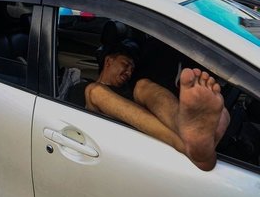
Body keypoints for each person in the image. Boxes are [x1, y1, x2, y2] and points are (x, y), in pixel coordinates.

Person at [82, 41, 230, 171]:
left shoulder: (131, 89)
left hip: (154, 124)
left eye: (131, 69)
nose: (128, 72)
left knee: (142, 85)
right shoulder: (82, 87)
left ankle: (187, 129)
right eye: (125, 65)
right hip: (117, 136)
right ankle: (186, 145)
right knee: (94, 91)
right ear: (108, 61)